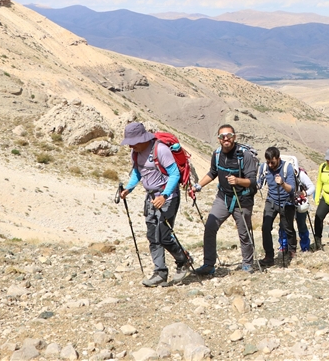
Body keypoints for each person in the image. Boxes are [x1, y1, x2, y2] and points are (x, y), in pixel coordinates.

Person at [119, 122, 190, 287]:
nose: (130, 145)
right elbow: (138, 172)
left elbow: (174, 175)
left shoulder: (160, 150)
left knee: (164, 236)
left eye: (133, 141)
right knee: (153, 236)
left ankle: (183, 260)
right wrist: (128, 189)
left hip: (168, 197)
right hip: (151, 198)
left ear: (142, 139)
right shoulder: (135, 153)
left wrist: (164, 195)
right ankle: (160, 272)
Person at [191, 125, 259, 275]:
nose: (225, 139)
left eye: (228, 135)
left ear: (234, 137)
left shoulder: (245, 156)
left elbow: (252, 181)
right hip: (223, 198)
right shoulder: (216, 154)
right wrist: (198, 186)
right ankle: (209, 264)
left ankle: (247, 264)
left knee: (244, 233)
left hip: (242, 199)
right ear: (219, 139)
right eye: (222, 136)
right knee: (210, 227)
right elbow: (213, 172)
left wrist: (238, 181)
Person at [256, 147, 297, 266]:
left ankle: (291, 250)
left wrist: (282, 183)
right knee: (265, 227)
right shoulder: (264, 168)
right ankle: (269, 256)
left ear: (278, 159)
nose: (270, 164)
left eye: (272, 162)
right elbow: (259, 183)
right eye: (268, 162)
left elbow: (292, 189)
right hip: (271, 200)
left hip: (287, 201)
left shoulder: (287, 168)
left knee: (287, 227)